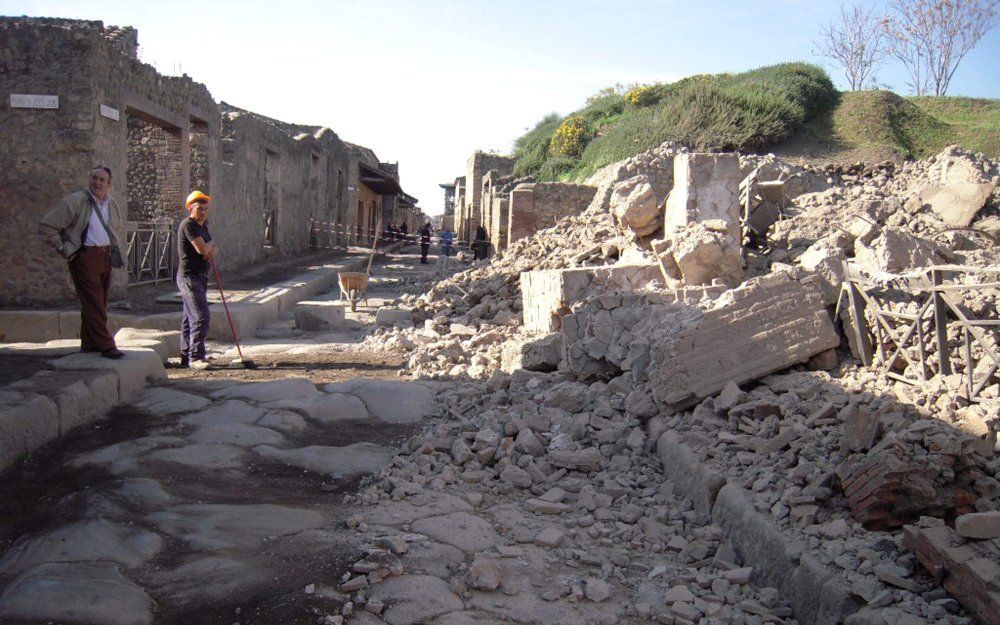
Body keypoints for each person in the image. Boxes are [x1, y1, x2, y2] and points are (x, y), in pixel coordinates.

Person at [39, 166, 126, 359]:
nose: (97, 182)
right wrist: (63, 248)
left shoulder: (111, 203)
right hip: (84, 256)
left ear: (109, 184)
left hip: (105, 255)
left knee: (98, 301)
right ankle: (106, 345)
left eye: (102, 180)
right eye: (94, 178)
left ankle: (89, 343)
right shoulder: (76, 200)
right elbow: (47, 225)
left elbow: (115, 228)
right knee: (94, 301)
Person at [177, 190, 217, 370]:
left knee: (188, 318)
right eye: (199, 208)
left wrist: (209, 248)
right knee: (201, 316)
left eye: (205, 208)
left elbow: (211, 251)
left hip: (201, 276)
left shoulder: (203, 227)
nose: (203, 212)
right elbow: (203, 250)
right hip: (189, 276)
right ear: (190, 209)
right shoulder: (189, 225)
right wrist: (209, 247)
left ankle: (186, 357)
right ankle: (196, 357)